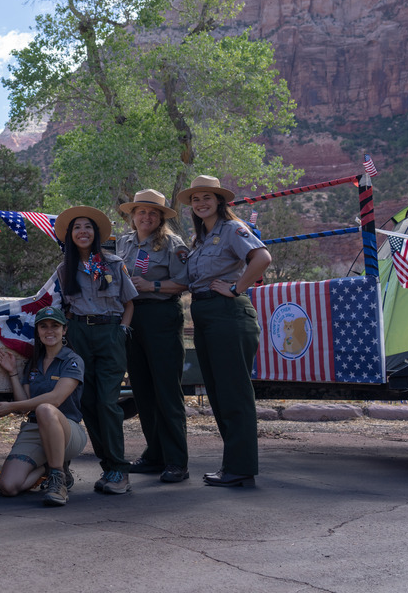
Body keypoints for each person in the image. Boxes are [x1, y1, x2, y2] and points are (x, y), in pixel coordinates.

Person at [181, 175, 272, 487]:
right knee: (219, 393)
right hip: (205, 314)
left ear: (219, 201)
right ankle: (233, 464)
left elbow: (262, 257)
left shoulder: (232, 229)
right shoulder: (201, 240)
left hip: (229, 313)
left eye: (207, 197)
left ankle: (241, 467)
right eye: (196, 199)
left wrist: (236, 288)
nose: (201, 203)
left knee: (234, 392)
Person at [51, 206, 138, 494]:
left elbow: (129, 302)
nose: (83, 232)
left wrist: (122, 330)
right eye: (77, 228)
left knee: (107, 402)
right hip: (78, 333)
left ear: (96, 233)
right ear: (70, 235)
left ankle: (119, 469)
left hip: (110, 333)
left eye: (88, 227)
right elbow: (60, 305)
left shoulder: (113, 263)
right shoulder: (65, 269)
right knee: (87, 402)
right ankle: (107, 468)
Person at [116, 189, 191, 484]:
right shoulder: (123, 242)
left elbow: (184, 282)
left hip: (161, 318)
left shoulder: (173, 244)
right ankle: (154, 453)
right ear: (133, 216)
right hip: (132, 318)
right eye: (141, 212)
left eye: (153, 213)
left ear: (160, 218)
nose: (146, 217)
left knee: (166, 392)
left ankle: (176, 461)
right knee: (143, 390)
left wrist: (151, 285)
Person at [0, 306, 87, 506]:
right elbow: (24, 407)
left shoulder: (73, 360)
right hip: (34, 429)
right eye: (44, 326)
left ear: (64, 330)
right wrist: (13, 372)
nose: (49, 331)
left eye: (55, 326)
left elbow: (56, 399)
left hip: (67, 430)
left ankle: (58, 481)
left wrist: (11, 406)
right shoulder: (34, 363)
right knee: (8, 486)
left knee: (46, 408)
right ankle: (49, 467)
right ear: (38, 331)